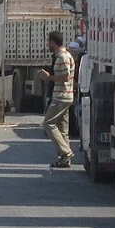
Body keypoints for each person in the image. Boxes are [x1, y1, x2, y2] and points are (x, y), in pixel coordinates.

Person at [38, 30, 77, 169]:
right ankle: (64, 160)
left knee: (48, 123)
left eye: (48, 42)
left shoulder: (63, 57)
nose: (47, 44)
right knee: (62, 129)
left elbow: (66, 77)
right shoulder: (62, 56)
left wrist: (49, 77)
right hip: (64, 96)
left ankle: (66, 152)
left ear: (53, 42)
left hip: (62, 96)